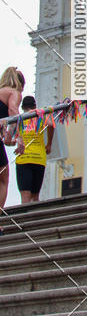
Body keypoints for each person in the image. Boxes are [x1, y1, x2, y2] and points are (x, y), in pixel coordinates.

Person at [15, 95, 55, 204]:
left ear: (22, 107)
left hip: (24, 158)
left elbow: (11, 138)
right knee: (35, 196)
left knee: (25, 196)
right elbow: (50, 124)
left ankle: (25, 215)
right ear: (35, 106)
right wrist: (49, 144)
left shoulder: (19, 119)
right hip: (39, 159)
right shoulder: (39, 116)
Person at [0, 67, 25, 215]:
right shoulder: (14, 92)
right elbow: (13, 111)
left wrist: (9, 137)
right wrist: (20, 138)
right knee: (3, 179)